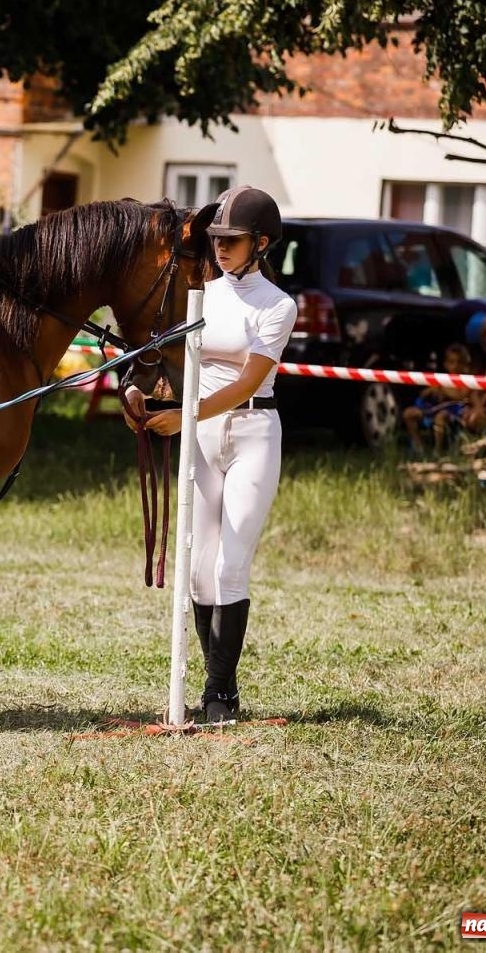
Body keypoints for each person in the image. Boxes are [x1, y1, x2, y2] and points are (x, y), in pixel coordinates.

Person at [125, 186, 298, 724]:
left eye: (233, 240)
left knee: (230, 566)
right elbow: (175, 365)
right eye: (217, 239)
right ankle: (216, 684)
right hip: (203, 432)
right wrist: (143, 392)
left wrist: (186, 415)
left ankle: (220, 693)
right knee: (199, 571)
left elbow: (249, 381)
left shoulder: (278, 306)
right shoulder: (198, 291)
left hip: (252, 432)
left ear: (261, 243)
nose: (220, 248)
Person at [402, 343, 474, 455]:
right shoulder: (442, 379)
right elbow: (424, 394)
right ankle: (418, 446)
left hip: (455, 413)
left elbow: (462, 397)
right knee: (409, 413)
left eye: (459, 362)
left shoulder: (466, 380)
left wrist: (443, 390)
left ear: (465, 365)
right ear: (445, 364)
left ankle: (438, 450)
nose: (455, 366)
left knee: (441, 416)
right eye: (451, 362)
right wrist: (430, 391)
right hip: (433, 409)